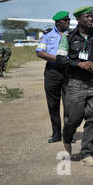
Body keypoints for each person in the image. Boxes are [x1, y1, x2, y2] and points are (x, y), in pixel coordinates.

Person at [56, 6, 93, 167]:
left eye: (92, 16)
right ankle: (66, 138)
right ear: (78, 19)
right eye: (87, 16)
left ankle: (87, 153)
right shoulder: (69, 36)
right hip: (75, 83)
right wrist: (78, 64)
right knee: (73, 119)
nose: (91, 19)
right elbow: (60, 58)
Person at [35, 11, 76, 144]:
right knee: (53, 104)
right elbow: (40, 52)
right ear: (57, 22)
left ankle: (69, 134)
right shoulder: (47, 34)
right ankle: (56, 134)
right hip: (52, 72)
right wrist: (57, 59)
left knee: (69, 105)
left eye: (69, 20)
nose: (68, 22)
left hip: (69, 71)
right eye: (65, 20)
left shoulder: (73, 34)